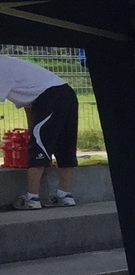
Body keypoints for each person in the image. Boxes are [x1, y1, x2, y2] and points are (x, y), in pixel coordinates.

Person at [2, 51, 79, 208]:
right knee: (65, 145)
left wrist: (35, 135)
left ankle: (32, 199)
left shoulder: (2, 67)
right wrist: (32, 130)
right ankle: (65, 195)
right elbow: (28, 104)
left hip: (50, 97)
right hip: (67, 93)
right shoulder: (11, 64)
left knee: (38, 148)